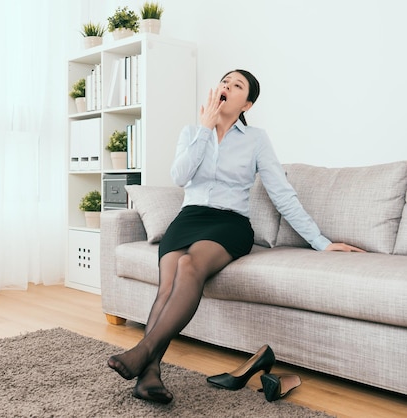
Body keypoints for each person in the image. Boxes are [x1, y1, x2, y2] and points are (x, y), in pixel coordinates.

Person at [107, 69, 364, 404]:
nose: (227, 86)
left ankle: (143, 352)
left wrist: (322, 242)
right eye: (225, 81)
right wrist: (204, 130)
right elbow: (180, 176)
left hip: (229, 224)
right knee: (167, 283)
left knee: (188, 267)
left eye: (237, 85)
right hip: (188, 219)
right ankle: (149, 376)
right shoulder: (192, 132)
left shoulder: (256, 139)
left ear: (248, 104)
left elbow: (282, 194)